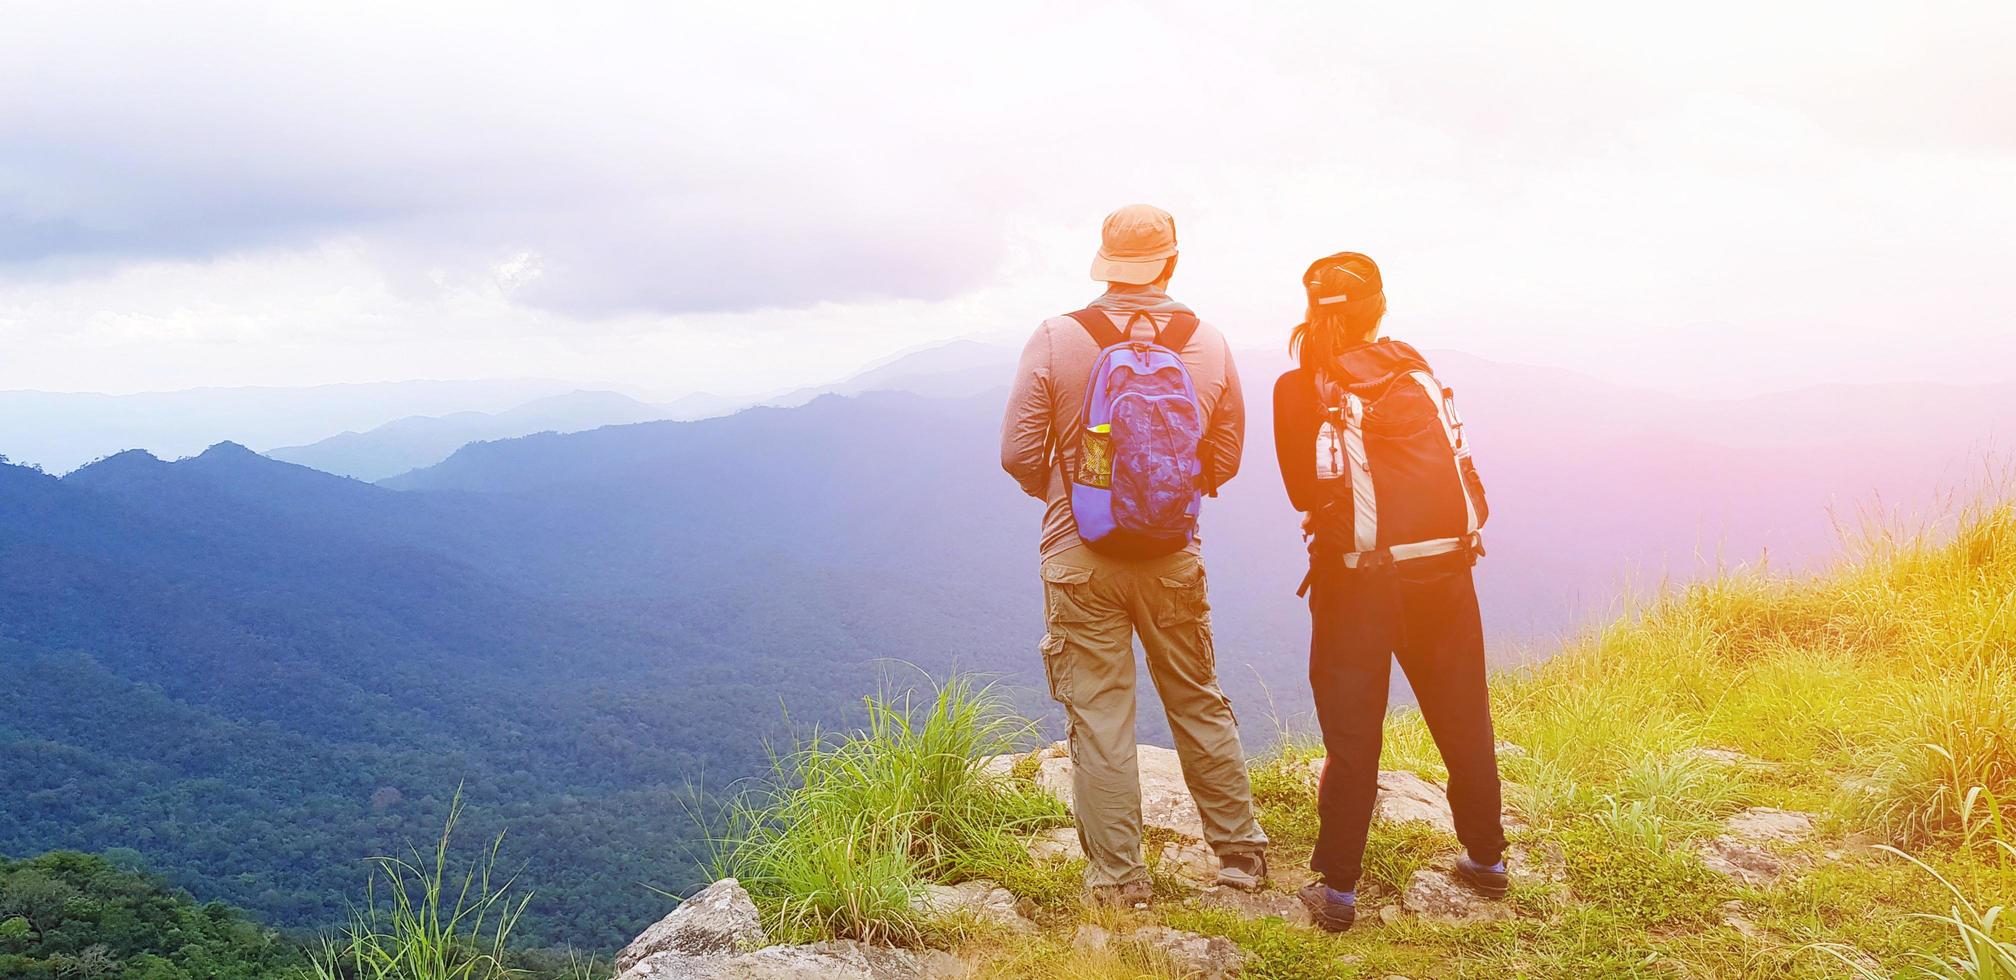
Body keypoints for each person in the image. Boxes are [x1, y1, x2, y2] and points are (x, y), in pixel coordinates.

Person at [1000, 204, 1269, 905]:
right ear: (1172, 262)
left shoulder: (1057, 337)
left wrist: (1075, 498)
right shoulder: (1206, 342)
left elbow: (1017, 453)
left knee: (1100, 717)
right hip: (1174, 553)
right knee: (1198, 701)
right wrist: (1164, 497)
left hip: (1078, 556)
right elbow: (1228, 457)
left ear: (1105, 264)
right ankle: (1241, 854)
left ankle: (1120, 884)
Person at [1271, 251, 1509, 932]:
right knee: (1464, 714)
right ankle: (1487, 860)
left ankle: (1338, 890)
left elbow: (1299, 491)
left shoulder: (1297, 388)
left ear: (1311, 310)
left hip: (1357, 581)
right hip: (1445, 570)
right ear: (1380, 309)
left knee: (1353, 735)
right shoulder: (1416, 370)